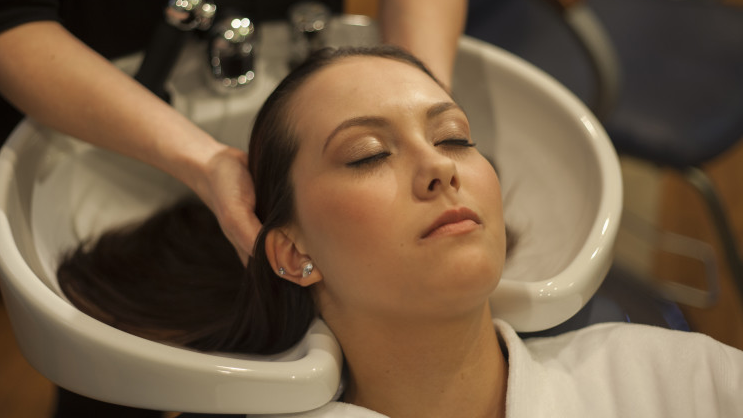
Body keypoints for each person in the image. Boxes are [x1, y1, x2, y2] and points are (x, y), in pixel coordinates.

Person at [59, 46, 743, 418]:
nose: (439, 169)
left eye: (454, 137)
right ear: (294, 253)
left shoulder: (670, 379)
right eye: (366, 154)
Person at [0, 0, 467, 262]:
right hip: (88, 131)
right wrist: (207, 162)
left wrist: (421, 115)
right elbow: (7, 16)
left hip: (300, 109)